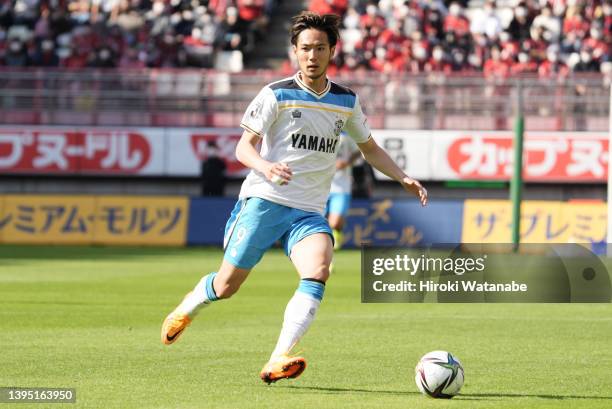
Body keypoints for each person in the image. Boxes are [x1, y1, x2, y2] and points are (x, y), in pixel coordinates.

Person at [161, 11, 427, 384]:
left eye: (320, 48)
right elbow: (243, 148)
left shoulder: (346, 101)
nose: (312, 55)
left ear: (332, 50)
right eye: (305, 49)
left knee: (318, 270)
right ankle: (190, 304)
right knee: (226, 287)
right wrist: (266, 166)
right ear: (295, 51)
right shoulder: (275, 94)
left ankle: (277, 356)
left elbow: (369, 148)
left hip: (307, 211)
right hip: (264, 200)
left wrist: (403, 177)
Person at [326, 136, 361, 250]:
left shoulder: (346, 135)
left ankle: (336, 234)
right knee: (318, 222)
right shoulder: (319, 129)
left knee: (335, 223)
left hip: (341, 187)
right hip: (321, 186)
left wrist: (347, 162)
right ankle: (326, 247)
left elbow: (358, 151)